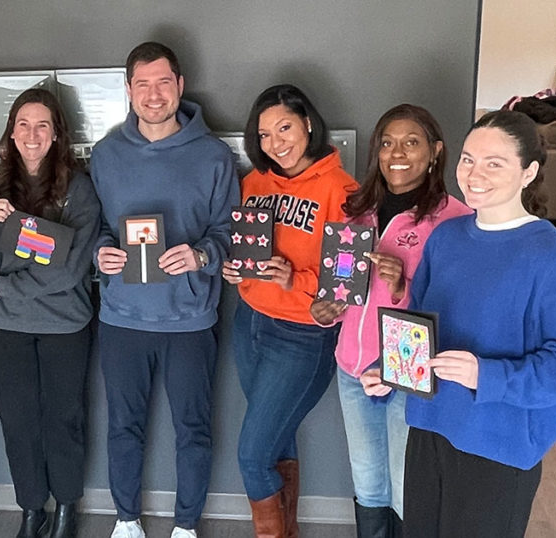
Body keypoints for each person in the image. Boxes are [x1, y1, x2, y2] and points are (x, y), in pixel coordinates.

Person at [363, 110, 556, 537]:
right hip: (430, 427)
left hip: (499, 441)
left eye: (495, 163)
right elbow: (420, 325)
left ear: (529, 172)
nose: (475, 174)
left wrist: (485, 374)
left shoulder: (554, 258)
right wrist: (391, 370)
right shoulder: (447, 238)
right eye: (468, 159)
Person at [91, 42, 238, 538]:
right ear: (128, 90)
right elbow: (97, 229)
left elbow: (228, 232)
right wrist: (101, 253)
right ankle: (127, 520)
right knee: (122, 428)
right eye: (142, 84)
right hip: (122, 318)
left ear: (180, 85)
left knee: (193, 431)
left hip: (191, 320)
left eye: (163, 83)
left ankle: (186, 527)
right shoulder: (106, 154)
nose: (153, 95)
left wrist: (200, 255)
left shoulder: (215, 156)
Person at [309, 104, 470, 538]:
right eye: (386, 142)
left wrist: (402, 286)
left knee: (405, 485)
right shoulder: (356, 211)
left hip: (408, 373)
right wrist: (325, 311)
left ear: (435, 151)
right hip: (353, 367)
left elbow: (456, 306)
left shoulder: (454, 219)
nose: (396, 153)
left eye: (411, 142)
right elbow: (341, 294)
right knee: (367, 482)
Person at [0, 88, 100, 538]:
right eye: (23, 124)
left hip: (65, 325)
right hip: (7, 330)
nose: (32, 134)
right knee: (17, 418)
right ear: (11, 133)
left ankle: (65, 507)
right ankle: (30, 509)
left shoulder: (78, 188)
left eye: (42, 125)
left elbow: (68, 272)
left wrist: (3, 285)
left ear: (57, 133)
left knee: (64, 418)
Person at [221, 84, 356, 538]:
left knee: (252, 456)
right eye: (263, 134)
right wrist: (237, 271)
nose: (275, 144)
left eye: (284, 129)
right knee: (275, 441)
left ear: (309, 125)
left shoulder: (342, 190)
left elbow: (346, 285)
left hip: (301, 336)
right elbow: (247, 248)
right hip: (251, 324)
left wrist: (292, 280)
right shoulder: (254, 182)